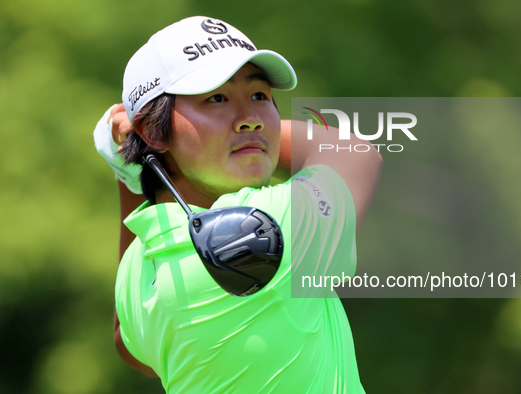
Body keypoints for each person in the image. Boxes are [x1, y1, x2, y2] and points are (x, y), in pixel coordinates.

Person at [94, 16, 382, 393]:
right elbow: (354, 150)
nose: (251, 120)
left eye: (260, 96)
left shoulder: (141, 266)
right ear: (153, 129)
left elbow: (127, 342)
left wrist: (131, 166)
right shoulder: (267, 230)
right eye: (217, 98)